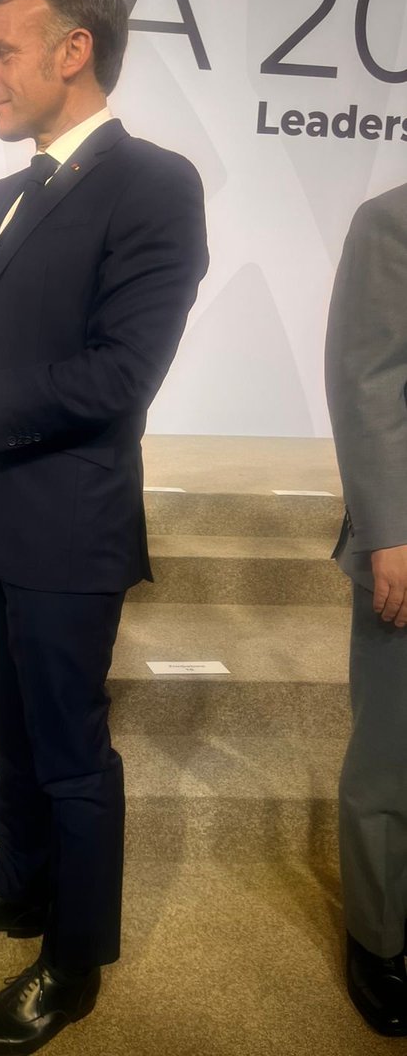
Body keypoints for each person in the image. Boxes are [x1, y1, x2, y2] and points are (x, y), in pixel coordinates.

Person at [0, 0, 209, 1054]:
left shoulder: (156, 184)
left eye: (1, 50)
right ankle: (17, 889)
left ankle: (71, 965)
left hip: (71, 526)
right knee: (14, 740)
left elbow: (122, 374)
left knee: (70, 752)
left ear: (75, 52)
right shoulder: (2, 195)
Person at [325, 181, 407, 1037]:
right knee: (392, 757)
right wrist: (390, 531)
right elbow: (368, 380)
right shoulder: (392, 220)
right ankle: (378, 941)